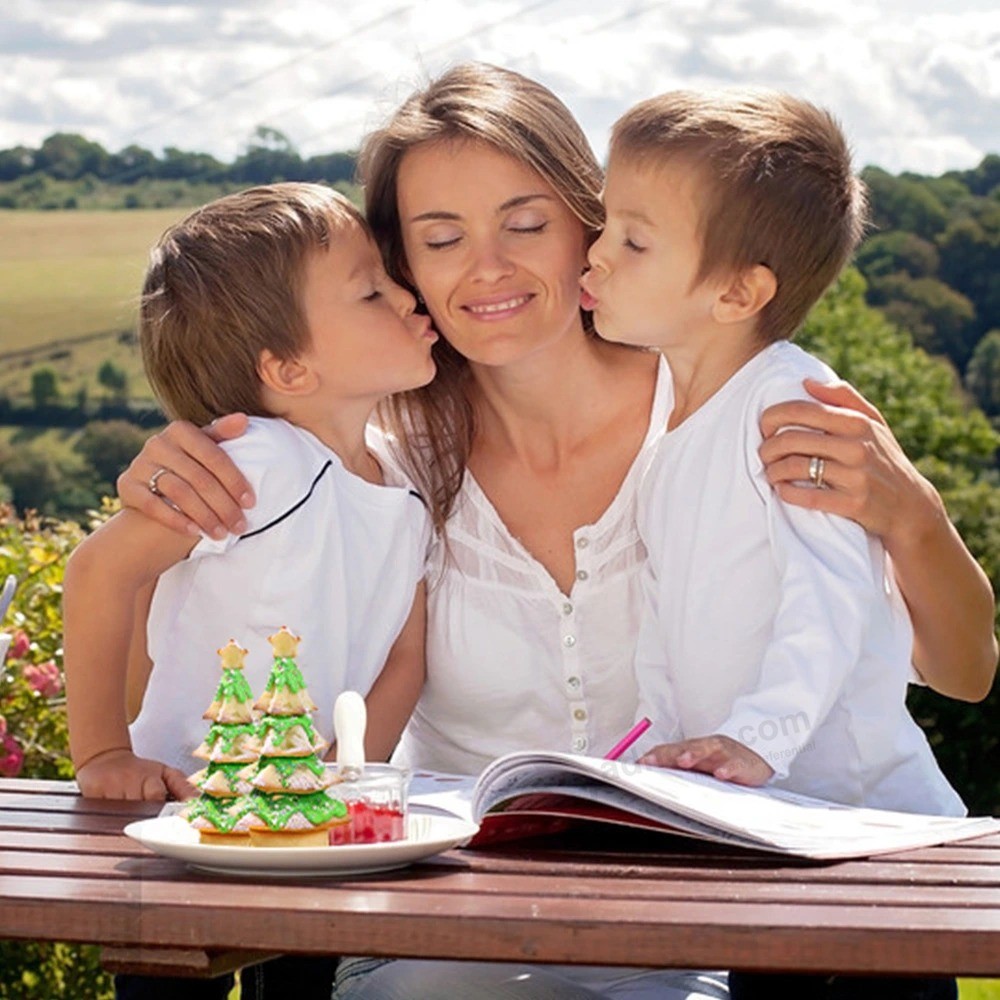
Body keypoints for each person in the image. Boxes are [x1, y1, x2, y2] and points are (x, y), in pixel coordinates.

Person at [113, 66, 996, 999]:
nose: (487, 267)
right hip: (448, 938)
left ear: (593, 223)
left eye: (526, 224)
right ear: (403, 268)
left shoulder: (736, 413)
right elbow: (190, 682)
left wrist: (913, 515)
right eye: (440, 239)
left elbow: (964, 671)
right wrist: (162, 514)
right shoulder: (373, 467)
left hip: (686, 938)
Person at [582, 88, 964, 820]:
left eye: (634, 241)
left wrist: (757, 739)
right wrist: (659, 754)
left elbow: (830, 597)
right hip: (765, 815)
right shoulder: (670, 430)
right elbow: (663, 628)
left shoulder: (789, 407)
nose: (596, 253)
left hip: (873, 821)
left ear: (736, 292)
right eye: (605, 226)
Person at [64, 182, 434, 798]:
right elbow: (99, 570)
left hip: (298, 809)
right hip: (178, 801)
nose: (404, 295)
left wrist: (339, 778)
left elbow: (405, 661)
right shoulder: (257, 459)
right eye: (371, 291)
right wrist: (103, 753)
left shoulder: (405, 484)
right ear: (288, 369)